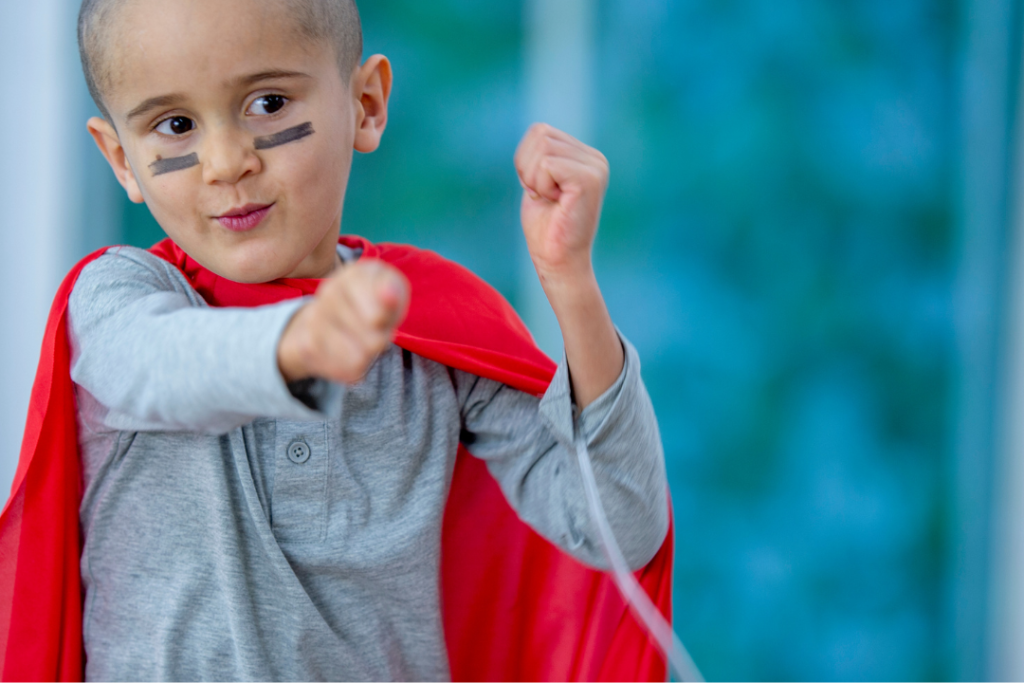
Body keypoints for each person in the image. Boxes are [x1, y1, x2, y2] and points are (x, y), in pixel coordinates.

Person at [0, 0, 672, 680]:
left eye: (267, 103)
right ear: (120, 158)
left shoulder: (429, 331)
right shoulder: (120, 300)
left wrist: (572, 286)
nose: (227, 162)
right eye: (175, 125)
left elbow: (618, 529)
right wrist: (299, 345)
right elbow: (153, 366)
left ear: (366, 104)